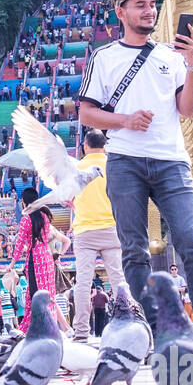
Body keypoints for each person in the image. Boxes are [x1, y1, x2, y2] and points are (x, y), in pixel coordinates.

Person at [77, 0, 193, 339]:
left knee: (192, 240)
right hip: (125, 161)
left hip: (171, 160)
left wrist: (191, 64)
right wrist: (125, 120)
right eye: (139, 4)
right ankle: (149, 328)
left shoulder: (170, 56)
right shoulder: (104, 57)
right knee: (134, 248)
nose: (148, 9)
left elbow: (186, 109)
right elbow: (86, 114)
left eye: (152, 4)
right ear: (120, 12)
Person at [70, 129, 131, 342]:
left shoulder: (76, 167)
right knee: (119, 280)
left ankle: (81, 332)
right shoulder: (114, 164)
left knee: (83, 283)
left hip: (85, 230)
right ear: (104, 145)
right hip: (112, 228)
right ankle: (129, 323)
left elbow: (68, 197)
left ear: (85, 146)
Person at [8, 187, 70, 332]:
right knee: (49, 293)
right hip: (47, 258)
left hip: (35, 260)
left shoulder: (26, 220)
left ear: (24, 202)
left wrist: (11, 264)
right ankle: (51, 326)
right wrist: (57, 255)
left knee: (35, 294)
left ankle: (36, 328)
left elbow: (19, 245)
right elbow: (53, 239)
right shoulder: (45, 216)